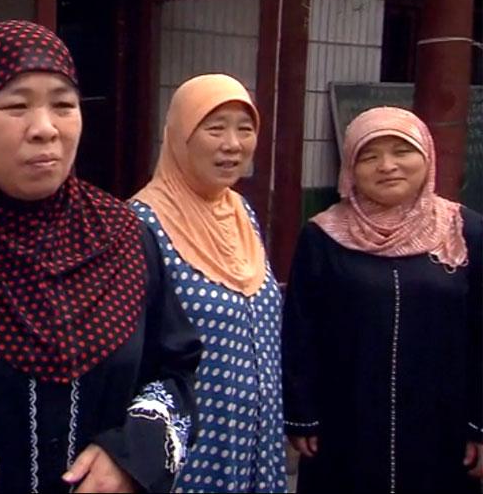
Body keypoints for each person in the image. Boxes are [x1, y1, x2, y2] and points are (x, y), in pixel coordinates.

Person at [0, 20, 202, 493]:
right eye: (16, 106)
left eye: (64, 105)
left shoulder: (125, 238)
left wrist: (132, 457)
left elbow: (173, 372)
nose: (44, 129)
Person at [282, 106, 482, 493]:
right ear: (350, 169)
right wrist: (302, 415)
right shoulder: (322, 236)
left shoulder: (465, 230)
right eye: (369, 156)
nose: (387, 166)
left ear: (427, 155)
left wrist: (480, 423)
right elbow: (300, 334)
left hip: (443, 429)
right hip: (346, 425)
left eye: (402, 151)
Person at [129, 74, 287, 492]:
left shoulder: (241, 212)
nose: (232, 144)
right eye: (214, 128)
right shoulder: (141, 224)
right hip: (191, 446)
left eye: (245, 128)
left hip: (256, 442)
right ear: (180, 135)